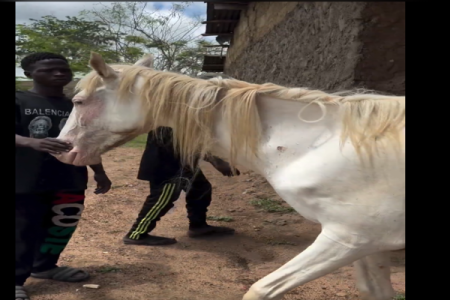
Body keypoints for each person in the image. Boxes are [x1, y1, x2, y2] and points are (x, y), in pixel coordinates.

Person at [15, 52, 112, 300]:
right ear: (29, 74)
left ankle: (45, 266)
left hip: (70, 177)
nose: (59, 74)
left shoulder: (77, 104)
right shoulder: (19, 99)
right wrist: (30, 142)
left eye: (63, 69)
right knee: (22, 231)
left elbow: (88, 141)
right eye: (48, 70)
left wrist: (99, 171)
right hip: (25, 181)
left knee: (62, 224)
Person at [123, 127, 240, 246]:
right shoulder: (169, 117)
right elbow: (180, 140)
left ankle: (198, 226)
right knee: (163, 198)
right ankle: (136, 234)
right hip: (166, 163)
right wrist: (215, 160)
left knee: (200, 188)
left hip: (183, 161)